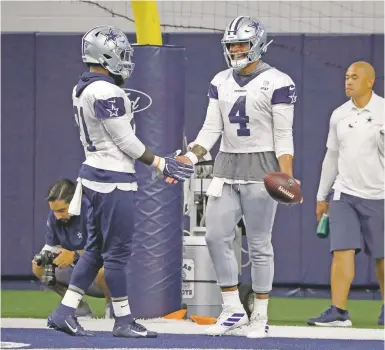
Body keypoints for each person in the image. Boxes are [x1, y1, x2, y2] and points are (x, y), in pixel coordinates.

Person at [47, 25, 194, 337]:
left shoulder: (83, 87)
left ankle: (63, 311)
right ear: (106, 55)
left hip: (93, 175)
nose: (126, 60)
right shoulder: (107, 91)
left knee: (96, 250)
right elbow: (125, 141)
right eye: (122, 53)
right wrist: (159, 163)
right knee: (116, 253)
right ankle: (124, 320)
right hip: (112, 180)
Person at [174, 16, 299, 338]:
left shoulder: (279, 81)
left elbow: (283, 136)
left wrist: (287, 174)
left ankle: (260, 314)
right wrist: (190, 156)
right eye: (231, 45)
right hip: (226, 167)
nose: (236, 49)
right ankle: (232, 309)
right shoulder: (220, 80)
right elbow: (211, 128)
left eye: (241, 43)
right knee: (215, 236)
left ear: (257, 43)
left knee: (259, 244)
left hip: (262, 169)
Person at [308, 61, 384, 327]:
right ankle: (338, 311)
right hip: (344, 194)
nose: (348, 82)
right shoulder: (339, 114)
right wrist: (321, 196)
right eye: (346, 77)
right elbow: (331, 157)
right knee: (342, 251)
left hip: (380, 196)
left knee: (382, 257)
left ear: (370, 82)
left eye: (354, 77)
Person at [32, 179, 112, 318]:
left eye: (62, 210)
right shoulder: (55, 217)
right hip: (80, 275)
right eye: (54, 211)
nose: (57, 216)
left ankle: (113, 307)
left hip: (107, 276)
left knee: (104, 271)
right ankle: (77, 307)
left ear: (75, 202)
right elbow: (50, 247)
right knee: (38, 266)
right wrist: (45, 257)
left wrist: (74, 255)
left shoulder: (93, 210)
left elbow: (106, 250)